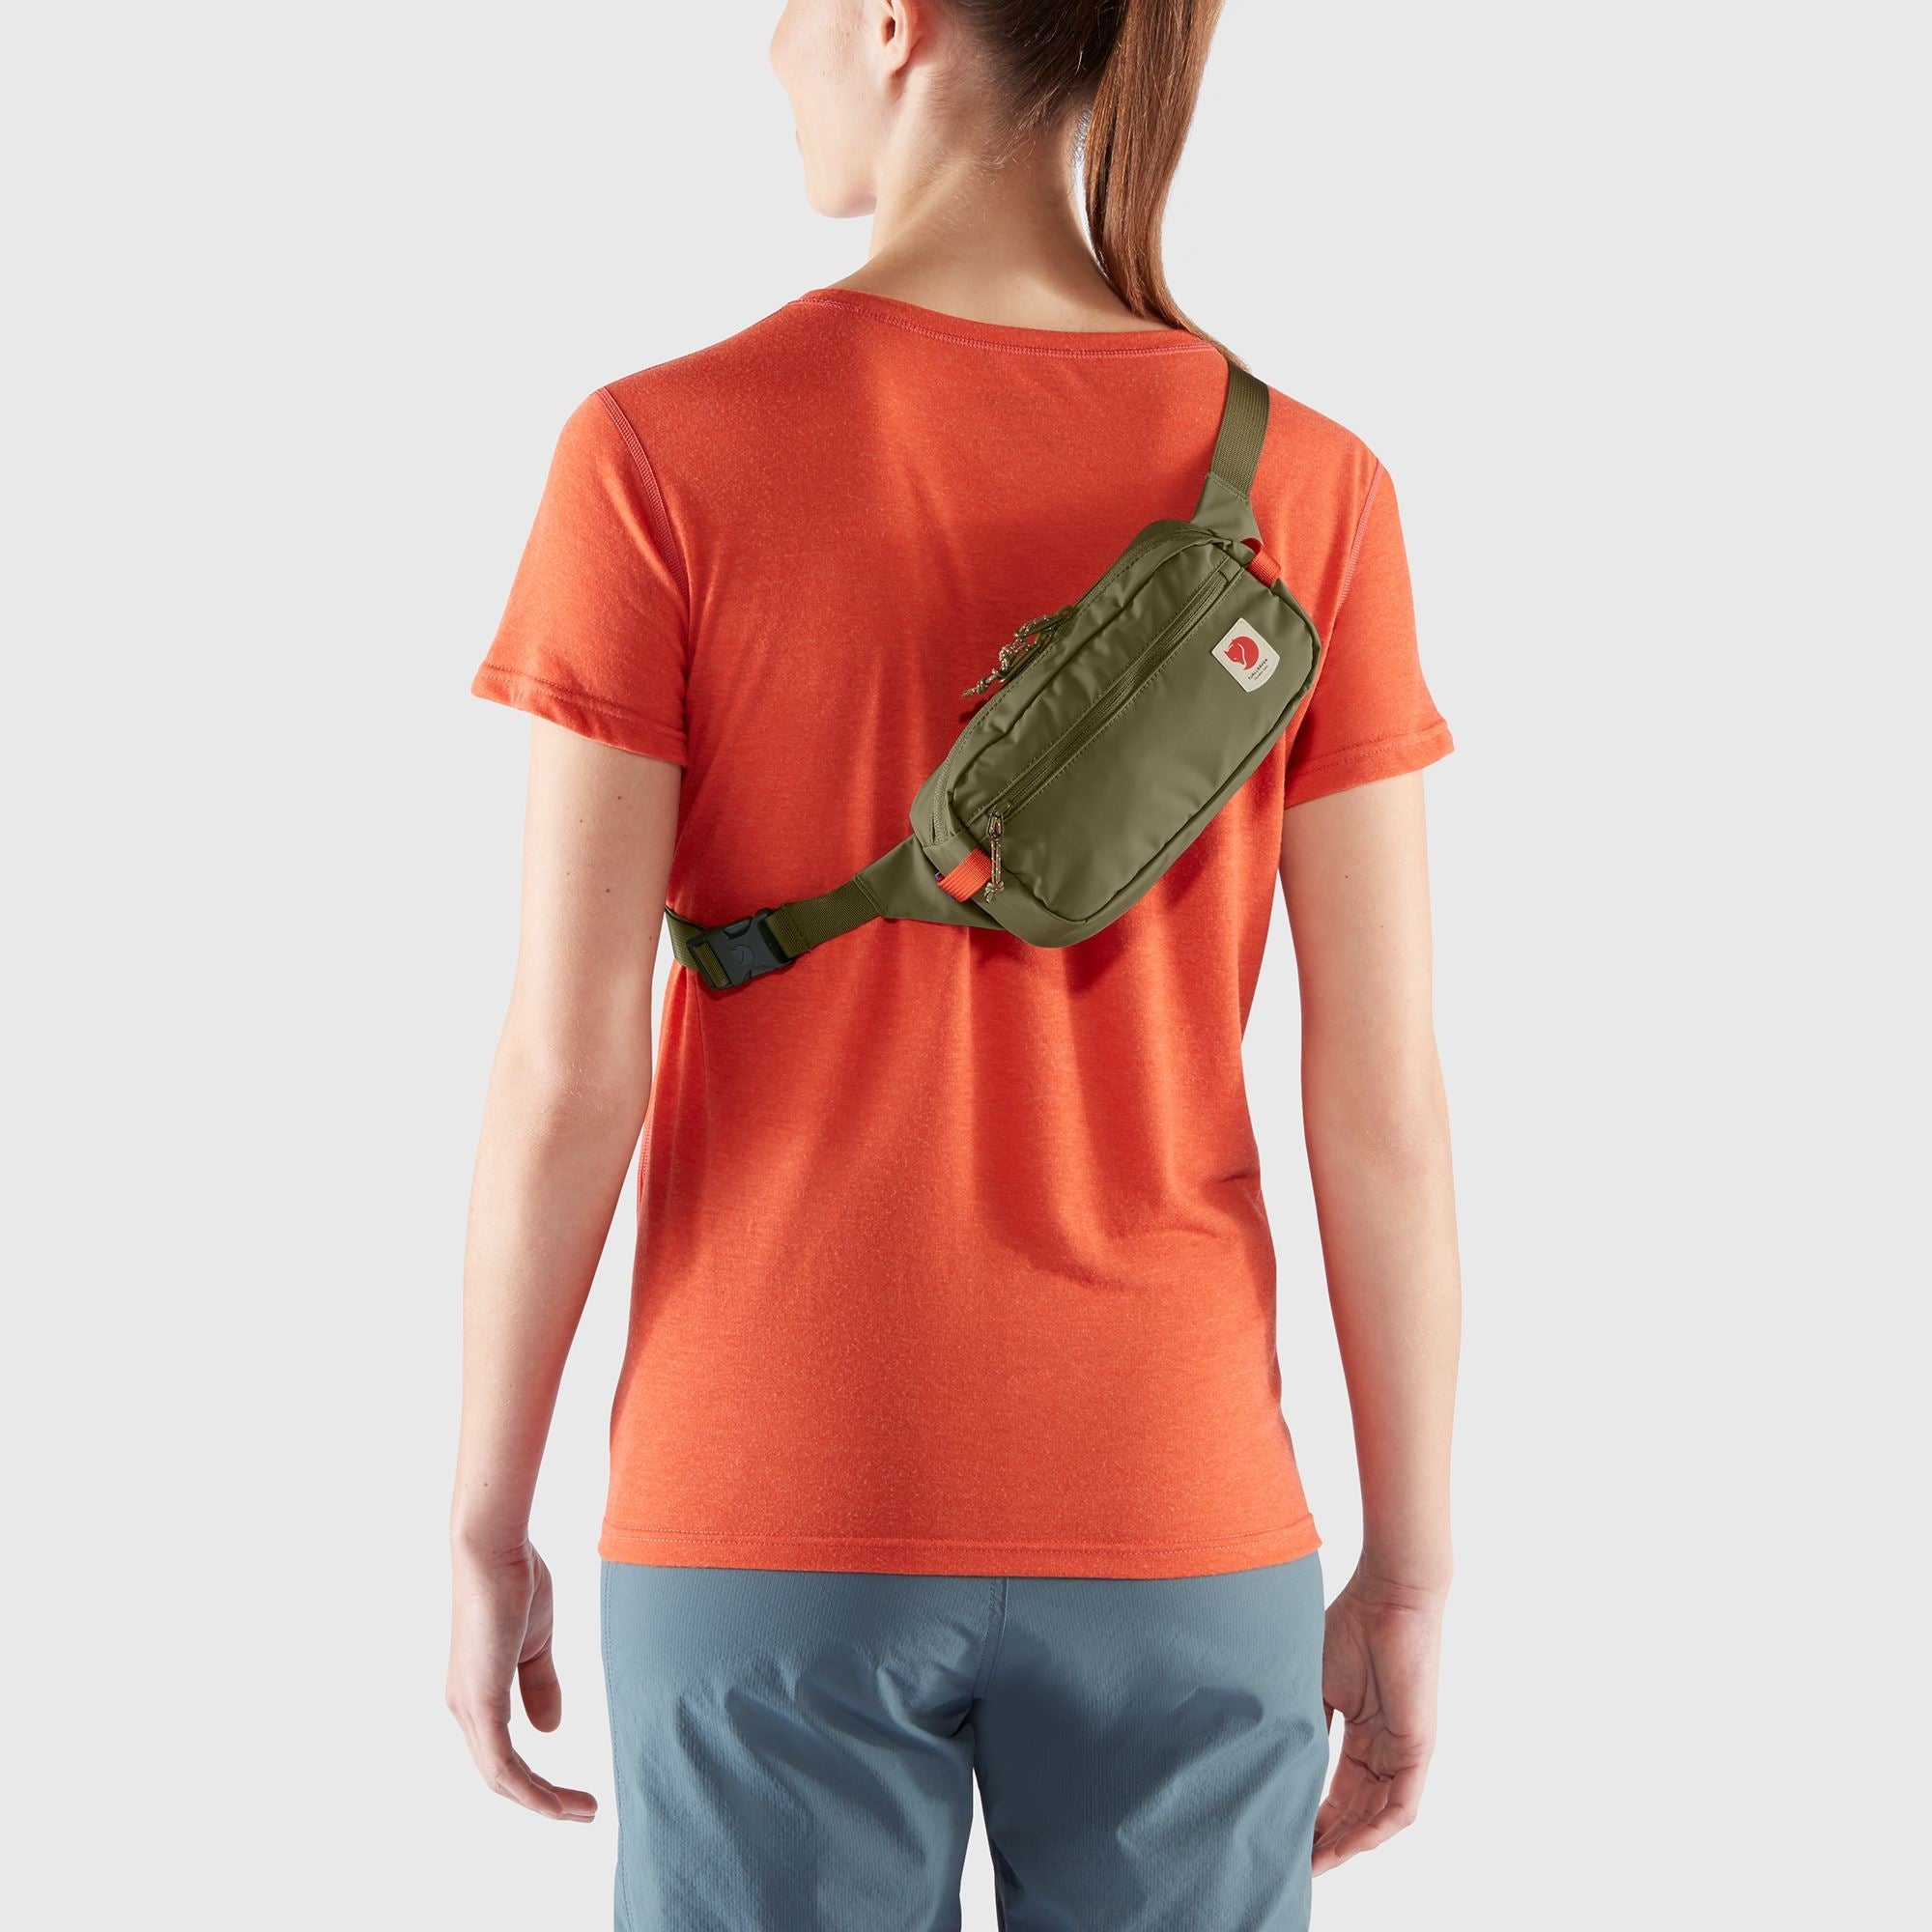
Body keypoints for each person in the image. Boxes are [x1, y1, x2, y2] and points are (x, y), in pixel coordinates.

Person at [445, 2, 1460, 1925]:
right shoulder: (1313, 487)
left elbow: (567, 1073)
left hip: (768, 1494)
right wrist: (1407, 1570)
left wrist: (487, 1522)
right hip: (1176, 1502)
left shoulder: (655, 454)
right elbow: (1380, 1104)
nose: (770, 52)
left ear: (894, 19)